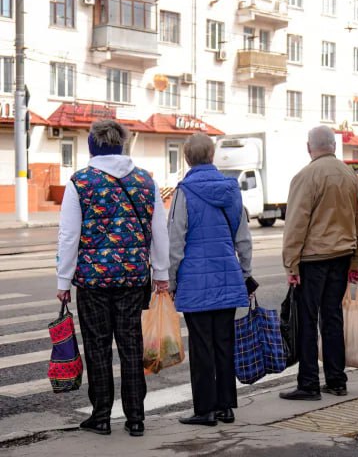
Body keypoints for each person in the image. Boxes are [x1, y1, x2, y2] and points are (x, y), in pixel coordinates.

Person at [55, 119, 169, 437]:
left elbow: (68, 236)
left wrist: (63, 282)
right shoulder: (146, 181)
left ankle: (101, 416)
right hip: (134, 278)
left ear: (93, 145)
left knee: (98, 346)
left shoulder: (80, 181)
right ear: (122, 144)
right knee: (132, 346)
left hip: (92, 281)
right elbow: (159, 231)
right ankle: (135, 418)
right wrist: (161, 274)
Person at [168, 133, 252, 426]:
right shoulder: (231, 190)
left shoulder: (184, 191)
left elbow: (175, 241)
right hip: (227, 276)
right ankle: (226, 407)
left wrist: (171, 280)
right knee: (224, 343)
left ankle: (204, 410)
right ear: (212, 156)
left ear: (187, 158)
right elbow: (243, 237)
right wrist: (244, 272)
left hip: (195, 282)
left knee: (202, 347)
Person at [281, 126, 358, 401]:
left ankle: (308, 384)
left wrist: (291, 265)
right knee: (332, 318)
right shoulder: (350, 175)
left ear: (310, 147)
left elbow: (296, 224)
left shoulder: (306, 177)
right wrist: (356, 260)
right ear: (334, 146)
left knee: (307, 320)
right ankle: (337, 380)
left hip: (313, 260)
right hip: (342, 257)